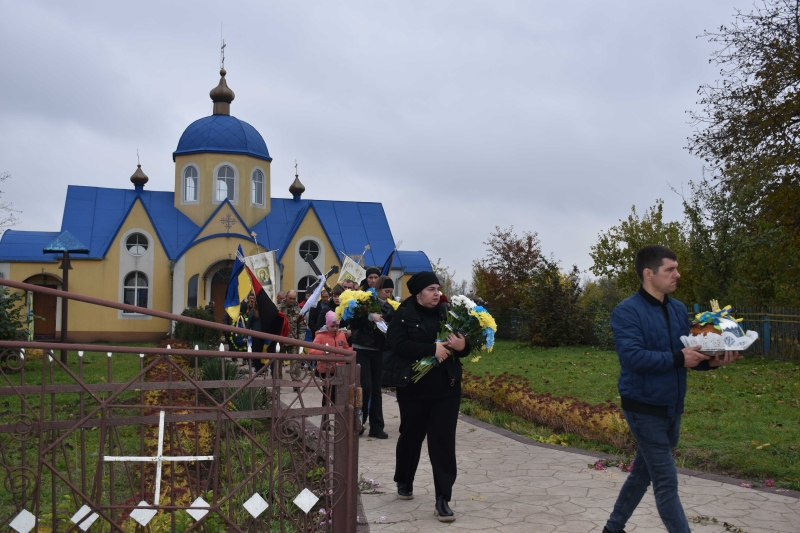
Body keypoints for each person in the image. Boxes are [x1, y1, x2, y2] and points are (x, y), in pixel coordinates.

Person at [602, 245, 742, 533]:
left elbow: (689, 356)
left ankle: (612, 528)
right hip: (642, 405)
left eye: (676, 268)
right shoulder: (627, 311)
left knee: (642, 474)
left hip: (672, 405)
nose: (677, 274)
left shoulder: (678, 309)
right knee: (666, 481)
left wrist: (713, 363)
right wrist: (679, 358)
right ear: (648, 274)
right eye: (670, 269)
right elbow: (632, 357)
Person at [386, 271, 470, 522]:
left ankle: (443, 499)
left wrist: (462, 346)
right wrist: (431, 349)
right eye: (431, 289)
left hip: (447, 388)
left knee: (443, 443)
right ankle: (404, 480)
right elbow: (397, 345)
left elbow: (465, 344)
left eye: (438, 288)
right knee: (411, 435)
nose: (437, 293)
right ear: (418, 292)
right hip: (414, 388)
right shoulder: (404, 314)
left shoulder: (448, 312)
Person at [341, 274, 394, 439]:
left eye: (391, 292)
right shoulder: (365, 302)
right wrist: (370, 317)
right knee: (365, 386)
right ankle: (359, 423)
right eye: (386, 291)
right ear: (378, 289)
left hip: (378, 350)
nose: (388, 294)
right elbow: (354, 323)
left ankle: (377, 427)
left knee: (377, 389)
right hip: (362, 348)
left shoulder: (390, 308)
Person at [308, 311, 350, 406]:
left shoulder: (341, 335)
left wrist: (352, 351)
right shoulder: (320, 336)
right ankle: (325, 413)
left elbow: (346, 348)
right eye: (332, 326)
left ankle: (336, 411)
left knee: (337, 392)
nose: (335, 328)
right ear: (327, 325)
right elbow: (311, 350)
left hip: (339, 369)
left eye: (337, 326)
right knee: (327, 392)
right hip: (325, 369)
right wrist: (324, 352)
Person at [277, 290, 303, 355]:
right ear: (286, 297)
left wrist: (301, 340)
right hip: (281, 340)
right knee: (278, 362)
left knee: (295, 363)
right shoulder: (279, 309)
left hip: (293, 340)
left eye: (294, 299)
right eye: (290, 298)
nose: (292, 300)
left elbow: (302, 327)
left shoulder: (298, 310)